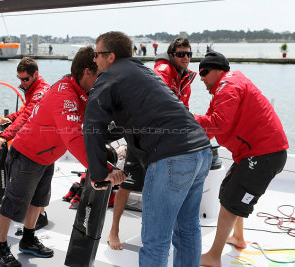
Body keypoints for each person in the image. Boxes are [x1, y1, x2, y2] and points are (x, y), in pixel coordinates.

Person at [84, 31, 212, 266]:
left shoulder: (109, 76)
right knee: (187, 229)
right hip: (201, 150)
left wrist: (100, 174)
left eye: (96, 54)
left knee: (156, 239)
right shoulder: (144, 72)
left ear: (110, 57)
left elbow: (92, 126)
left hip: (171, 158)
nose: (94, 59)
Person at [0, 46, 124, 267]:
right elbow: (73, 139)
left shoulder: (80, 91)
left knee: (38, 202)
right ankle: (2, 248)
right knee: (11, 206)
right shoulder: (66, 95)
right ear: (87, 72)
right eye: (99, 75)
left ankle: (27, 239)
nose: (101, 80)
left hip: (46, 156)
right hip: (27, 154)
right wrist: (103, 171)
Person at [195, 52, 289, 267]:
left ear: (219, 70)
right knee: (227, 191)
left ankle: (213, 257)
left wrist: (188, 117)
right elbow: (210, 127)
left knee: (232, 200)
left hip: (264, 155)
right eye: (199, 73)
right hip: (254, 153)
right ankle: (238, 238)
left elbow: (218, 125)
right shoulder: (226, 87)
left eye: (204, 72)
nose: (201, 78)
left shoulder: (228, 87)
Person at [0, 57, 51, 230]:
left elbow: (28, 114)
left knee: (28, 189)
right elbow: (26, 110)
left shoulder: (40, 90)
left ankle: (35, 219)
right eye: (19, 79)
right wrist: (9, 118)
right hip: (44, 146)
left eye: (25, 79)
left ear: (36, 74)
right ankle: (37, 218)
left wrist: (5, 136)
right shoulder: (34, 87)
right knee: (38, 191)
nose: (22, 82)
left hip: (38, 147)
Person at [154, 37, 196, 107]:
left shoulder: (186, 79)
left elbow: (185, 108)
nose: (186, 57)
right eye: (181, 54)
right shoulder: (163, 71)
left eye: (189, 54)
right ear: (171, 56)